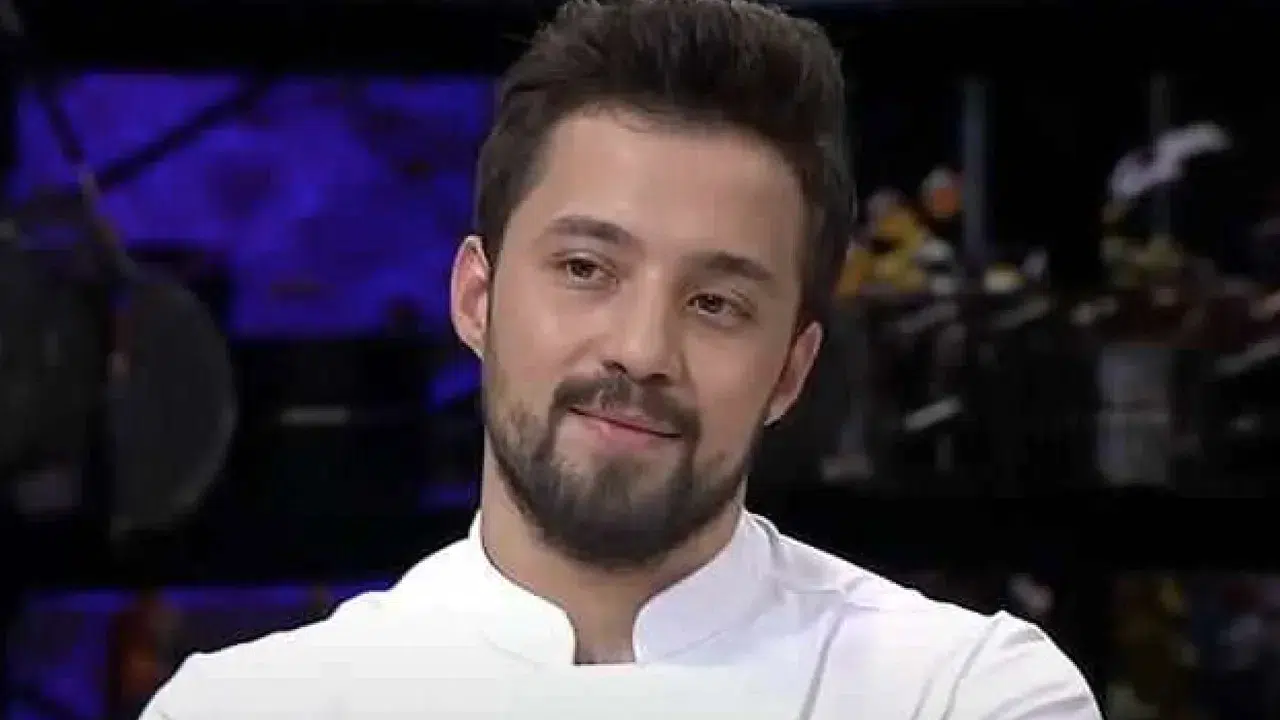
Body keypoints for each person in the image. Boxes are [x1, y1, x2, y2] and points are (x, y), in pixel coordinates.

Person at [139, 0, 1101, 717]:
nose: (641, 351)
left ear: (790, 371)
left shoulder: (962, 693)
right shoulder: (246, 706)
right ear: (476, 299)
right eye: (586, 268)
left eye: (716, 303)